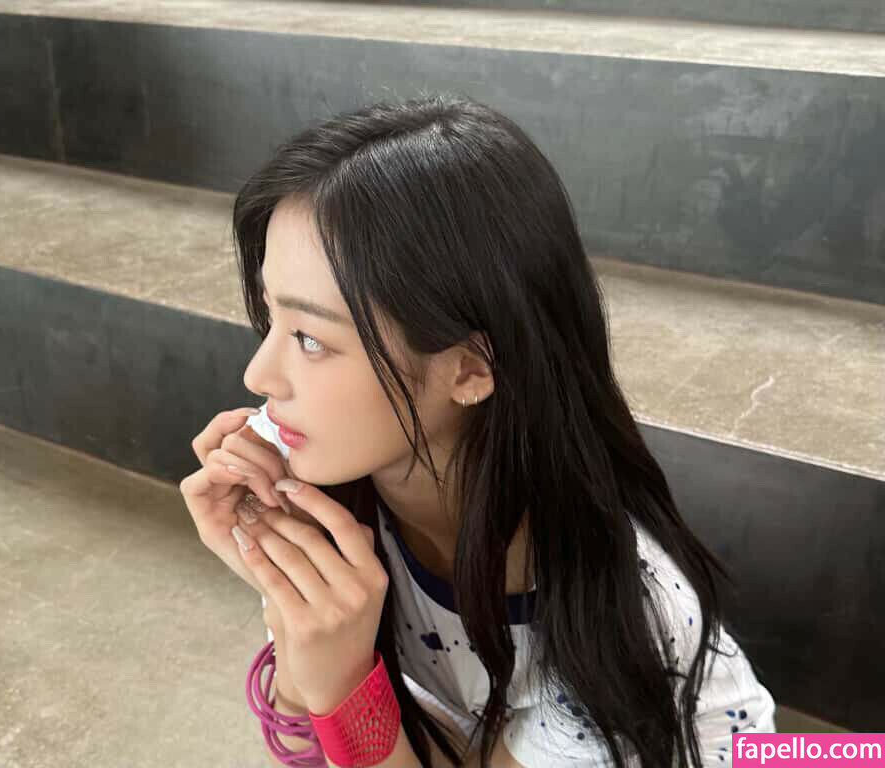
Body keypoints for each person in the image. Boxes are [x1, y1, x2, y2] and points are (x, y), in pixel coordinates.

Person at [181, 92, 776, 768]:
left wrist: (342, 686)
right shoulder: (329, 498)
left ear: (468, 368)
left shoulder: (618, 608)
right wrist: (288, 596)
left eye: (311, 338)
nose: (259, 374)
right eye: (272, 317)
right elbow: (305, 741)